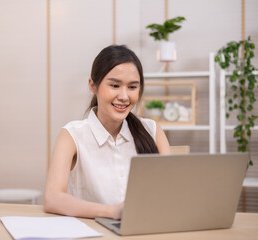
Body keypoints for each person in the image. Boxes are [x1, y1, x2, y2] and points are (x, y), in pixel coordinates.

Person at [44, 45, 170, 220]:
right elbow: (53, 199)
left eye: (132, 87)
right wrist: (112, 212)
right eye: (115, 85)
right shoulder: (72, 135)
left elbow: (172, 191)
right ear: (93, 86)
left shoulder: (152, 130)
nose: (124, 96)